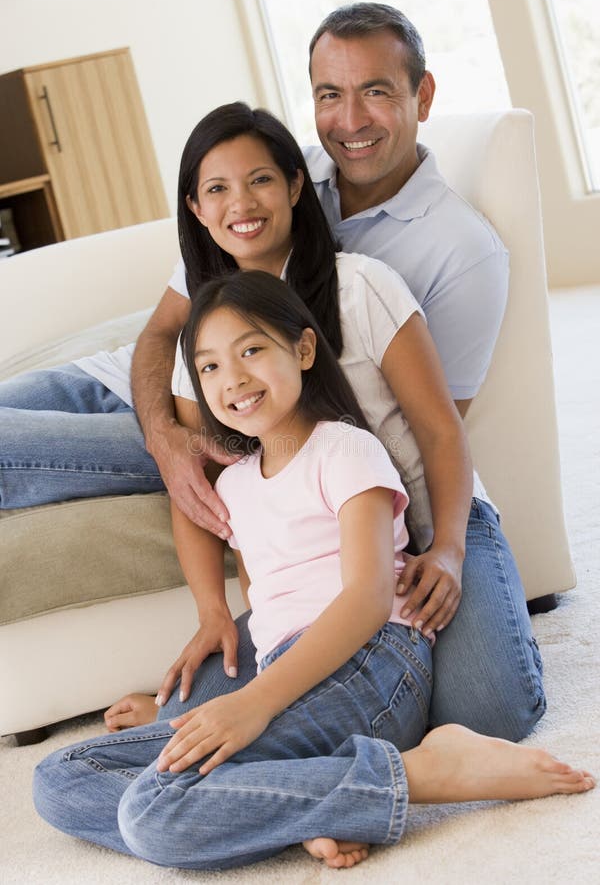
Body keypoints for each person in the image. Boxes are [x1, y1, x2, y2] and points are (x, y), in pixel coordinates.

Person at [2, 3, 543, 740]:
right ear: (195, 207)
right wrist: (214, 609)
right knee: (196, 722)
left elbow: (441, 432)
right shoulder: (219, 305)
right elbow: (199, 465)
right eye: (330, 95)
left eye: (376, 91)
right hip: (289, 518)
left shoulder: (374, 280)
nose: (350, 119)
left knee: (488, 713)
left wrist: (444, 549)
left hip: (396, 510)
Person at [33, 272, 595, 872]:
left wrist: (251, 703)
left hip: (369, 664)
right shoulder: (237, 484)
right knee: (59, 778)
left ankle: (420, 774)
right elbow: (270, 608)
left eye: (251, 350)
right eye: (211, 367)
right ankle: (311, 808)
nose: (235, 379)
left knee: (151, 812)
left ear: (303, 350)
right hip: (290, 680)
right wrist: (184, 716)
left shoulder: (344, 449)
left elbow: (369, 597)